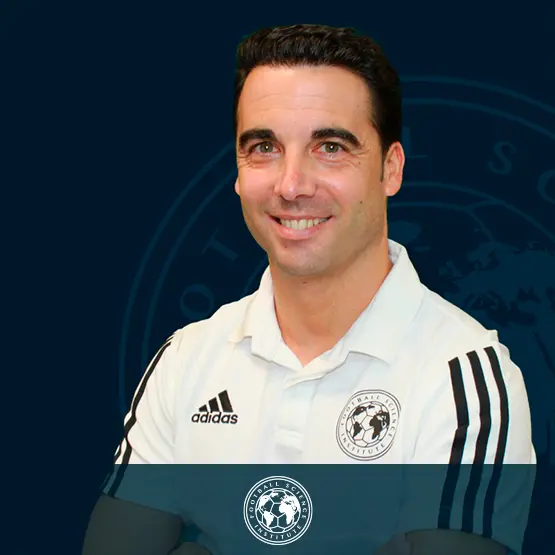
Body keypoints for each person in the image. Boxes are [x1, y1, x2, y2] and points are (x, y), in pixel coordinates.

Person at [82, 24, 536, 555]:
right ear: (237, 170)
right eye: (264, 147)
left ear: (391, 169)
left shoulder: (463, 379)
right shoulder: (187, 360)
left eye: (330, 147)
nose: (291, 184)